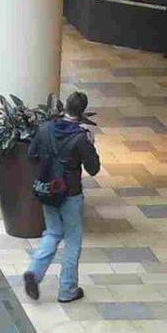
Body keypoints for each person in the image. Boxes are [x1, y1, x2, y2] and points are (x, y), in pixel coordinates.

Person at [22, 90, 102, 303]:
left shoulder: (45, 128)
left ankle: (34, 272)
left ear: (65, 106)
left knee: (53, 232)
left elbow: (31, 155)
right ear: (83, 111)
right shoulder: (81, 138)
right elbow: (93, 169)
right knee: (73, 240)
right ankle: (67, 290)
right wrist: (90, 145)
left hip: (48, 189)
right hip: (71, 193)